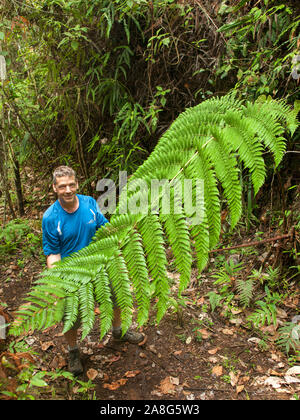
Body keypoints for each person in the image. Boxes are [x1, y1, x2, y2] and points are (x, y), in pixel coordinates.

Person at [42, 166, 143, 375]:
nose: (68, 190)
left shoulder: (89, 203)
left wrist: (124, 229)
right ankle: (73, 351)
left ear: (77, 184)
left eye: (71, 184)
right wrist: (56, 285)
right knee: (72, 317)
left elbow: (103, 227)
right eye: (62, 186)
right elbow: (52, 254)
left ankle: (117, 331)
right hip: (73, 275)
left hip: (100, 265)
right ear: (54, 188)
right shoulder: (50, 217)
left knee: (117, 297)